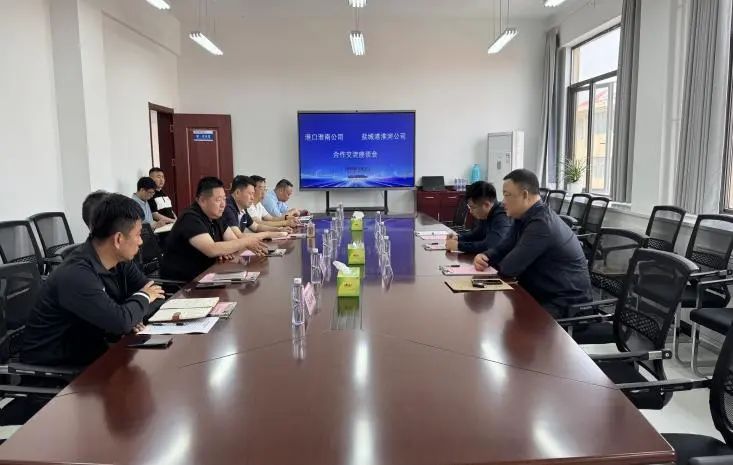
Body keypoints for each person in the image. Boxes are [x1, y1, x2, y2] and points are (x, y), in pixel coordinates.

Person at [21, 194, 165, 367]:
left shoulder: (120, 261)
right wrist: (135, 307)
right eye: (138, 235)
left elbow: (157, 295)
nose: (141, 242)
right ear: (118, 239)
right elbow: (121, 321)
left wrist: (132, 315)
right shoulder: (76, 274)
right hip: (58, 370)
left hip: (96, 352)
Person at [473, 169, 592, 318]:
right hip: (542, 295)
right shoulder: (522, 217)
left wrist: (492, 262)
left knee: (499, 320)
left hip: (566, 305)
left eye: (507, 195)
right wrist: (485, 256)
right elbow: (503, 248)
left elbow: (509, 268)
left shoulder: (542, 224)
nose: (503, 202)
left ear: (525, 195)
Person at [161, 176, 271, 282]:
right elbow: (212, 249)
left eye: (224, 199)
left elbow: (233, 241)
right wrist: (244, 242)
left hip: (209, 275)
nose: (223, 204)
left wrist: (224, 249)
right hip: (184, 284)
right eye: (218, 200)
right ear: (202, 200)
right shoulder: (190, 218)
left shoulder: (216, 216)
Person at [445, 181, 511, 254]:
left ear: (486, 205)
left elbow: (489, 246)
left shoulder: (502, 217)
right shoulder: (486, 214)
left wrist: (459, 246)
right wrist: (458, 238)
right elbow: (477, 235)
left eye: (473, 207)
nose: (470, 211)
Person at [223, 175, 292, 237]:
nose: (252, 197)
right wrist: (269, 234)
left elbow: (256, 227)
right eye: (250, 194)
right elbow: (239, 236)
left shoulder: (242, 207)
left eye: (253, 194)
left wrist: (278, 230)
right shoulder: (228, 208)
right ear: (237, 193)